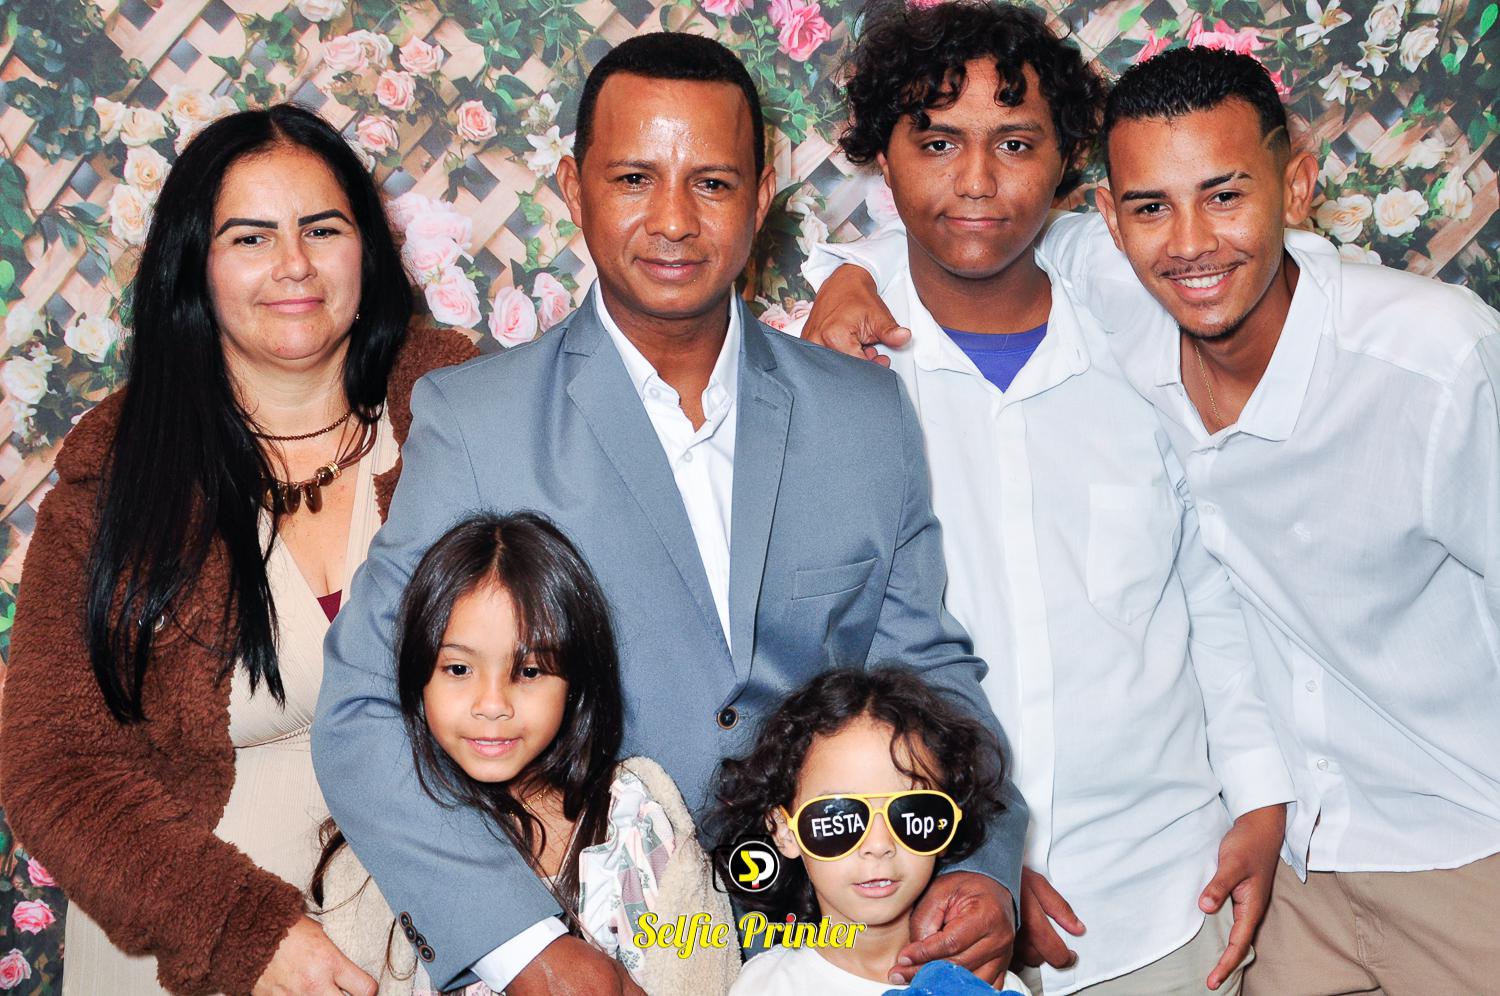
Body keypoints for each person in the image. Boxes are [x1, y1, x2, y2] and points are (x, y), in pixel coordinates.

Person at [313, 31, 1027, 996]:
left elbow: (927, 678)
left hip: (836, 949)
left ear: (761, 196)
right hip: (597, 945)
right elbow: (363, 708)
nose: (675, 221)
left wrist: (985, 867)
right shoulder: (475, 423)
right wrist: (522, 945)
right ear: (573, 191)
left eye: (713, 183)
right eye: (634, 179)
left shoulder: (864, 415)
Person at [807, 45, 1500, 996]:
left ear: (1297, 186)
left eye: (1226, 195)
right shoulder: (1104, 305)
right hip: (1281, 884)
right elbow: (963, 229)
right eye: (1151, 208)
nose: (1190, 240)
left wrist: (1257, 797)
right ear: (1109, 214)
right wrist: (847, 270)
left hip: (1444, 847)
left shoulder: (1432, 361)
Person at [792, 6, 1292, 994]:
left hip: (1161, 900)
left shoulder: (1145, 344)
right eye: (937, 143)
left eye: (1017, 145)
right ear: (883, 159)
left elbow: (1210, 591)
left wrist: (1260, 795)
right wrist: (974, 855)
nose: (978, 182)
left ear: (1068, 166)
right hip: (919, 914)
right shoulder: (833, 380)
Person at [0, 104, 476, 996]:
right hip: (196, 963)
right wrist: (242, 934)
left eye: (322, 229)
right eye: (250, 237)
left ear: (368, 250)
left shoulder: (463, 416)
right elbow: (53, 765)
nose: (294, 263)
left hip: (434, 947)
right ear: (196, 265)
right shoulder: (117, 479)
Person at [318, 512, 738, 995]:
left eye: (530, 671)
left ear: (575, 684)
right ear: (417, 678)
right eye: (458, 669)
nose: (492, 703)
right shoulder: (387, 849)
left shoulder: (635, 822)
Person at [715, 667, 1032, 996]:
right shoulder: (766, 987)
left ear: (947, 822)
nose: (879, 844)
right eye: (840, 816)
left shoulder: (987, 986)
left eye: (910, 811)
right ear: (784, 831)